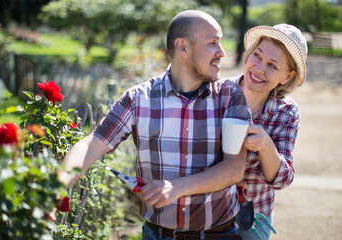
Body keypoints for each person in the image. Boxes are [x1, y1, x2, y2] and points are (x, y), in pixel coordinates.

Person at [58, 10, 252, 240]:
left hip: (220, 234)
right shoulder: (138, 99)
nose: (222, 52)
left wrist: (176, 187)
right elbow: (91, 145)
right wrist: (56, 188)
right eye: (212, 43)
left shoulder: (231, 96)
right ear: (183, 47)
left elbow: (234, 168)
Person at [228, 24, 308, 239]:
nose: (259, 68)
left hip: (253, 216)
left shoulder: (287, 112)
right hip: (209, 209)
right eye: (257, 55)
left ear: (287, 76)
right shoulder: (218, 93)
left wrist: (266, 145)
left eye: (272, 65)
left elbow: (283, 179)